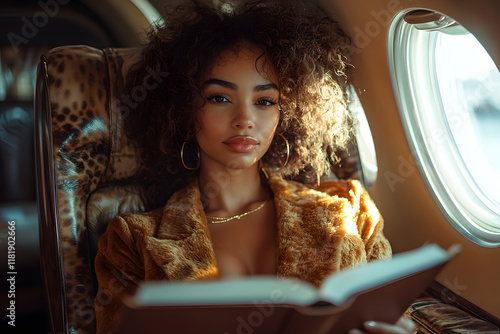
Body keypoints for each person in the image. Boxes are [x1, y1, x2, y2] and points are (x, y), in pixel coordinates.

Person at [94, 1, 416, 333]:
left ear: (285, 113)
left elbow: (396, 318)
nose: (245, 120)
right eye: (219, 97)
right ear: (183, 108)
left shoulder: (351, 210)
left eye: (264, 101)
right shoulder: (132, 241)